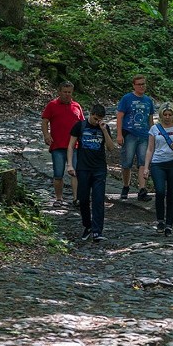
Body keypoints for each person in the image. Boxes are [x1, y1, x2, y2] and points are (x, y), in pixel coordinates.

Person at [142, 102, 173, 237]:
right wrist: (146, 167)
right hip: (158, 163)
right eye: (165, 115)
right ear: (161, 115)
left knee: (171, 194)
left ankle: (169, 224)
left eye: (170, 115)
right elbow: (150, 149)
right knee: (160, 191)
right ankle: (160, 220)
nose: (167, 117)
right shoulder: (154, 129)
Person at [67, 104, 114, 243]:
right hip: (83, 168)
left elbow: (111, 148)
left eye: (99, 119)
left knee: (98, 200)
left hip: (99, 168)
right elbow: (70, 145)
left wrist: (104, 131)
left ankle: (97, 230)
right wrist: (70, 164)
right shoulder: (79, 126)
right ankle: (87, 226)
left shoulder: (104, 128)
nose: (97, 121)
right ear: (90, 113)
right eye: (95, 118)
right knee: (83, 199)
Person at [41, 81, 84, 207]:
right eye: (64, 92)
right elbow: (44, 122)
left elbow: (82, 124)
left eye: (69, 92)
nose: (67, 95)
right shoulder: (52, 105)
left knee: (75, 172)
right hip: (58, 146)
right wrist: (46, 135)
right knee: (58, 174)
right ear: (59, 92)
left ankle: (76, 198)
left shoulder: (77, 106)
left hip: (75, 146)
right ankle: (59, 198)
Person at [116, 74, 156, 202]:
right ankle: (126, 186)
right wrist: (119, 134)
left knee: (143, 162)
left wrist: (153, 135)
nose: (142, 86)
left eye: (143, 84)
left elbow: (150, 120)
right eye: (139, 84)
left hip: (144, 135)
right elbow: (120, 116)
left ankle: (142, 190)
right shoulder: (127, 98)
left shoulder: (148, 101)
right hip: (129, 134)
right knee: (127, 162)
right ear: (134, 85)